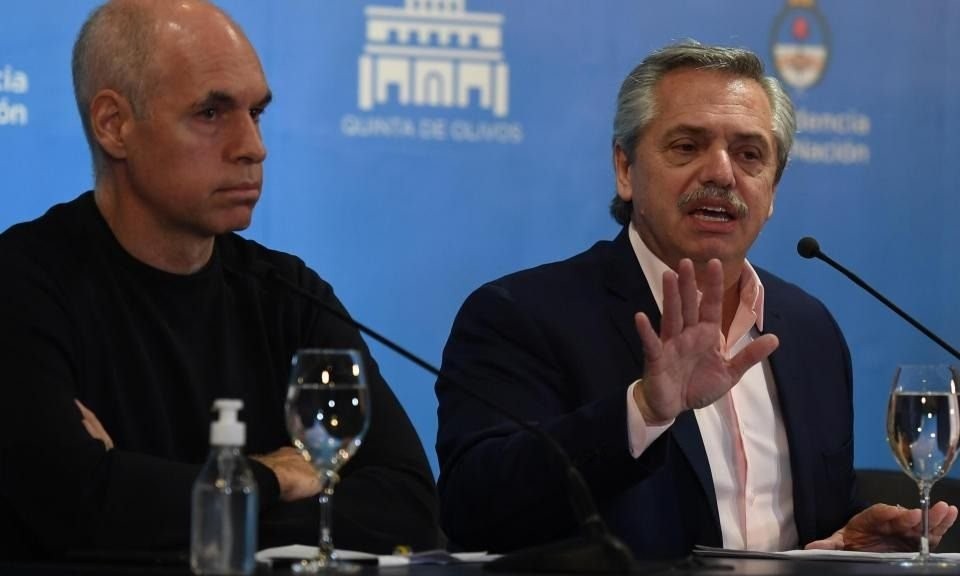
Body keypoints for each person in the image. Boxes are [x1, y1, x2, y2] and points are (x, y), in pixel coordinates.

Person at [435, 40, 957, 558]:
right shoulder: (520, 315)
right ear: (625, 169)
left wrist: (845, 543)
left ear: (773, 190)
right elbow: (475, 509)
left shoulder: (809, 329)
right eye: (687, 146)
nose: (721, 173)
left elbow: (808, 522)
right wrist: (643, 410)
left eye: (749, 155)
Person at [0, 0, 439, 561]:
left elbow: (408, 509)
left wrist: (150, 497)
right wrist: (275, 476)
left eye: (256, 113)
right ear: (114, 125)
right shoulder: (22, 285)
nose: (253, 147)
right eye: (211, 113)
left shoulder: (288, 293)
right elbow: (75, 514)